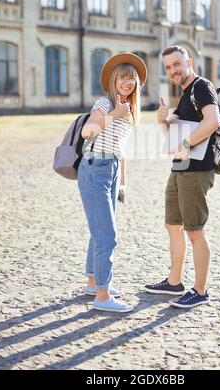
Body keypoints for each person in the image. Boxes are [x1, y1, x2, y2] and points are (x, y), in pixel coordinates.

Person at [144, 46, 220, 309]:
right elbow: (172, 139)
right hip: (180, 168)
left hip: (197, 170)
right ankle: (174, 282)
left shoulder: (201, 86)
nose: (173, 70)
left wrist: (186, 145)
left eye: (176, 64)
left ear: (188, 61)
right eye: (167, 67)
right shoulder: (186, 94)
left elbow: (213, 121)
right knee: (173, 225)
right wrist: (162, 120)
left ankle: (200, 290)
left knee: (194, 230)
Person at [78, 53, 147, 313]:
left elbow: (121, 149)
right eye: (122, 78)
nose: (127, 83)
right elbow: (88, 131)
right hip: (95, 168)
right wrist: (115, 114)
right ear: (113, 80)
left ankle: (94, 282)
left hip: (111, 169)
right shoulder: (106, 103)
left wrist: (123, 184)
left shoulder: (128, 109)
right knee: (107, 235)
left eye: (132, 79)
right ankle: (103, 297)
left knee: (100, 231)